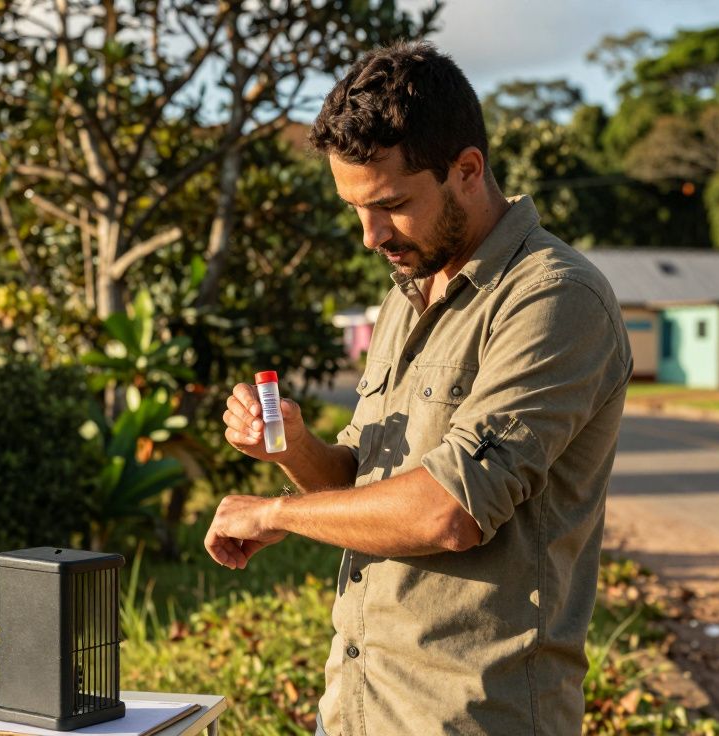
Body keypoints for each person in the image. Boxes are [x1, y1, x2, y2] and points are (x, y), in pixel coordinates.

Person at [204, 41, 633, 735]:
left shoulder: (555, 298)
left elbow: (448, 510)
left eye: (392, 204)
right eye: (355, 209)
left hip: (471, 717)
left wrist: (276, 513)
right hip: (357, 707)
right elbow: (361, 484)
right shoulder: (406, 293)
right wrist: (293, 447)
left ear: (467, 170)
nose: (370, 235)